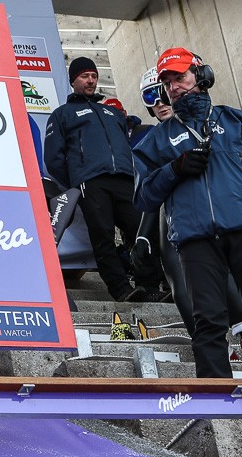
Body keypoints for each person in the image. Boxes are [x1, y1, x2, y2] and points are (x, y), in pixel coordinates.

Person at [134, 48, 242, 378]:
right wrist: (174, 169)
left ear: (201, 75)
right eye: (167, 81)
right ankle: (215, 399)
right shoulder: (156, 140)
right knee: (207, 323)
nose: (174, 86)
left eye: (180, 77)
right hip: (195, 241)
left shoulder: (234, 120)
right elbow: (143, 198)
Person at [44, 56, 167, 302]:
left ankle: (150, 286)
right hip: (91, 182)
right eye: (84, 76)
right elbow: (53, 158)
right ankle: (120, 288)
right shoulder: (62, 114)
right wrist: (78, 180)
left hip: (124, 180)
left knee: (142, 233)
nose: (90, 80)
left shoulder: (112, 113)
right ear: (73, 81)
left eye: (93, 76)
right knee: (103, 235)